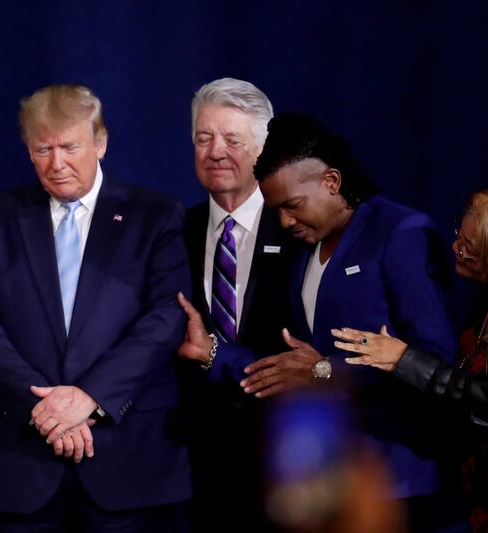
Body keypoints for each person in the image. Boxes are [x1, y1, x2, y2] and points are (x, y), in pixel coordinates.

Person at [0, 84, 191, 531]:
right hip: (21, 457)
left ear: (100, 143)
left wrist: (90, 397)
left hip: (126, 458)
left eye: (69, 146)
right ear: (28, 151)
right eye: (43, 149)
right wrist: (43, 411)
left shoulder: (153, 215)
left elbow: (166, 317)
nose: (56, 163)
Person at [245, 112, 458, 530]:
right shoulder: (303, 250)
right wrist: (209, 353)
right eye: (277, 211)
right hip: (324, 478)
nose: (284, 221)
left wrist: (323, 370)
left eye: (292, 206)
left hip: (397, 479)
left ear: (331, 182)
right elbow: (295, 365)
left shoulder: (401, 232)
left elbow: (435, 360)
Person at [174, 77, 299, 532]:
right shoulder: (172, 233)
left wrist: (215, 354)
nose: (216, 151)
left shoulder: (297, 232)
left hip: (280, 461)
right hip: (191, 465)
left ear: (263, 151)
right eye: (204, 138)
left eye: (232, 139)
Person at [332, 188, 488, 531]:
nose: (455, 249)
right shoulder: (483, 301)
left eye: (468, 247)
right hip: (475, 489)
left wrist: (404, 360)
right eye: (457, 236)